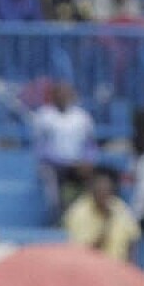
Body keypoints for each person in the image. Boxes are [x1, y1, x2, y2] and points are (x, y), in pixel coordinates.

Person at [32, 79, 99, 219]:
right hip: (53, 165)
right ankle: (58, 216)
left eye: (66, 93)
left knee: (98, 176)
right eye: (59, 93)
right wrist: (66, 162)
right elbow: (41, 149)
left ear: (72, 95)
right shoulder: (43, 116)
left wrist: (87, 160)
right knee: (51, 178)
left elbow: (90, 144)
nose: (63, 96)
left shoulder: (82, 117)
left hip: (78, 164)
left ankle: (91, 215)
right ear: (53, 96)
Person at [62, 169, 140, 262]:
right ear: (92, 191)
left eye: (107, 191)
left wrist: (130, 266)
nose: (104, 195)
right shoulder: (78, 213)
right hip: (92, 267)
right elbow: (82, 252)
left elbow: (133, 239)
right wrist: (106, 224)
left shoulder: (119, 207)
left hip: (119, 266)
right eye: (100, 191)